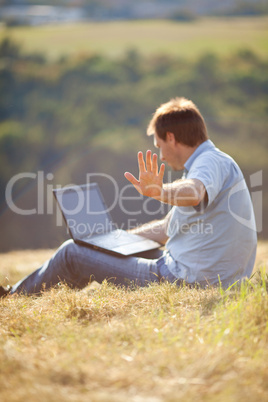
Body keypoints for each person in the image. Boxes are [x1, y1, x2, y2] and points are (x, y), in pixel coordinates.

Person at [0, 97, 257, 297]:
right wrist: (115, 241)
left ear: (171, 137)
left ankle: (12, 299)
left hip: (188, 280)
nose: (162, 156)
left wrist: (160, 192)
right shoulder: (216, 162)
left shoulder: (208, 162)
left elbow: (193, 192)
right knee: (94, 250)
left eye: (159, 146)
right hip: (205, 274)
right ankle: (45, 289)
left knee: (71, 253)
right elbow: (168, 228)